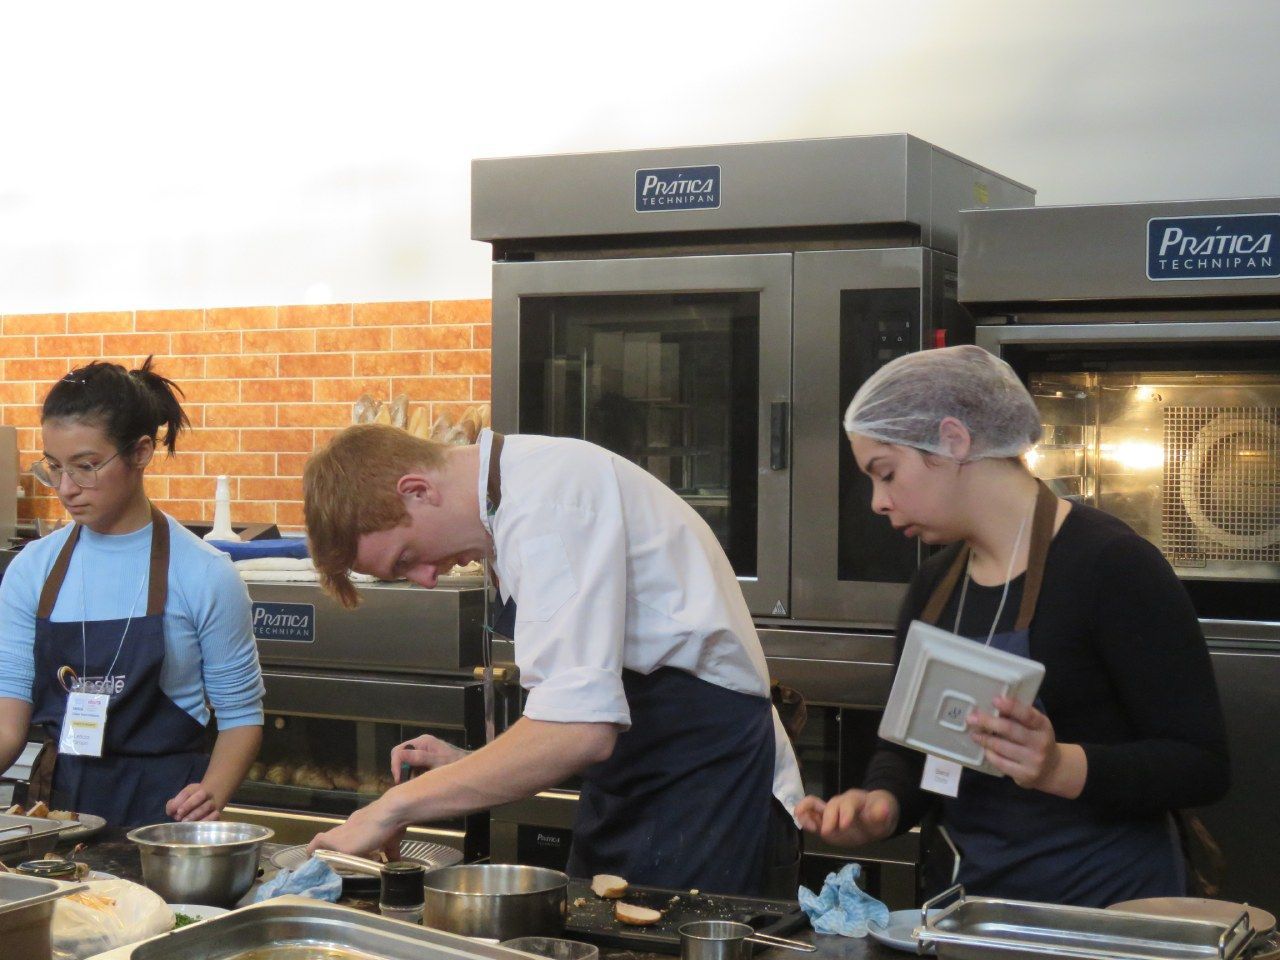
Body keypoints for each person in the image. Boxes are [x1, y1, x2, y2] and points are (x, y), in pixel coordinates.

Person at [795, 345, 1229, 907]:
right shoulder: (935, 587)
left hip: (1111, 914)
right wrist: (883, 804)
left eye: (887, 473)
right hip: (976, 911)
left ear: (953, 440)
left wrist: (1058, 766)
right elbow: (910, 747)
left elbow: (1201, 764)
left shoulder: (1111, 566)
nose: (878, 502)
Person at [302, 424, 803, 896]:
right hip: (644, 785)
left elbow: (578, 731)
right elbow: (580, 708)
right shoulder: (512, 505)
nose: (427, 579)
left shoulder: (547, 505)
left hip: (711, 795)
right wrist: (470, 767)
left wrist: (391, 808)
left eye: (407, 558)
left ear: (417, 491)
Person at [0, 359, 265, 827]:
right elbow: (8, 724)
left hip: (165, 815)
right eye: (54, 467)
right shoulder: (32, 571)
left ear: (141, 452)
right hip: (61, 812)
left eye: (86, 467)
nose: (66, 488)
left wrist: (209, 795)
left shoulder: (205, 574)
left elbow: (241, 716)